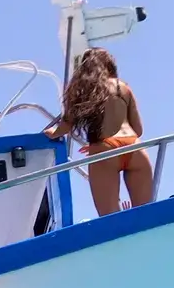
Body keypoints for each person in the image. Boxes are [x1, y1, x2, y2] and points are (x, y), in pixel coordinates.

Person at [46, 47, 153, 216]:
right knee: (146, 216)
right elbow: (138, 130)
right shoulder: (123, 87)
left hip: (105, 149)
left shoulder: (85, 88)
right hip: (133, 147)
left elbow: (66, 125)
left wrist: (52, 133)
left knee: (110, 219)